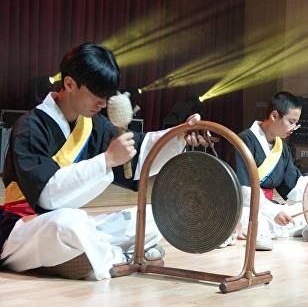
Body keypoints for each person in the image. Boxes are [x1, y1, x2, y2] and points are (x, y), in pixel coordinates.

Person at [0, 43, 208, 280]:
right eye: (96, 94)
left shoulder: (92, 123)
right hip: (25, 226)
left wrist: (178, 133)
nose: (102, 103)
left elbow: (137, 153)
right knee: (68, 223)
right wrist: (107, 160)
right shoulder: (29, 127)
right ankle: (119, 257)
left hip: (73, 229)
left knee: (153, 217)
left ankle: (86, 255)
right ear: (69, 84)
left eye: (105, 96)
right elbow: (48, 196)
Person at [233, 91, 308, 250]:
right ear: (274, 116)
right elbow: (244, 191)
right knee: (251, 219)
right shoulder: (243, 141)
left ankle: (294, 229)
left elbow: (295, 188)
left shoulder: (282, 149)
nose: (294, 128)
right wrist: (274, 211)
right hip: (244, 206)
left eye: (296, 123)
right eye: (291, 122)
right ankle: (295, 230)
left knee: (307, 208)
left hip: (269, 207)